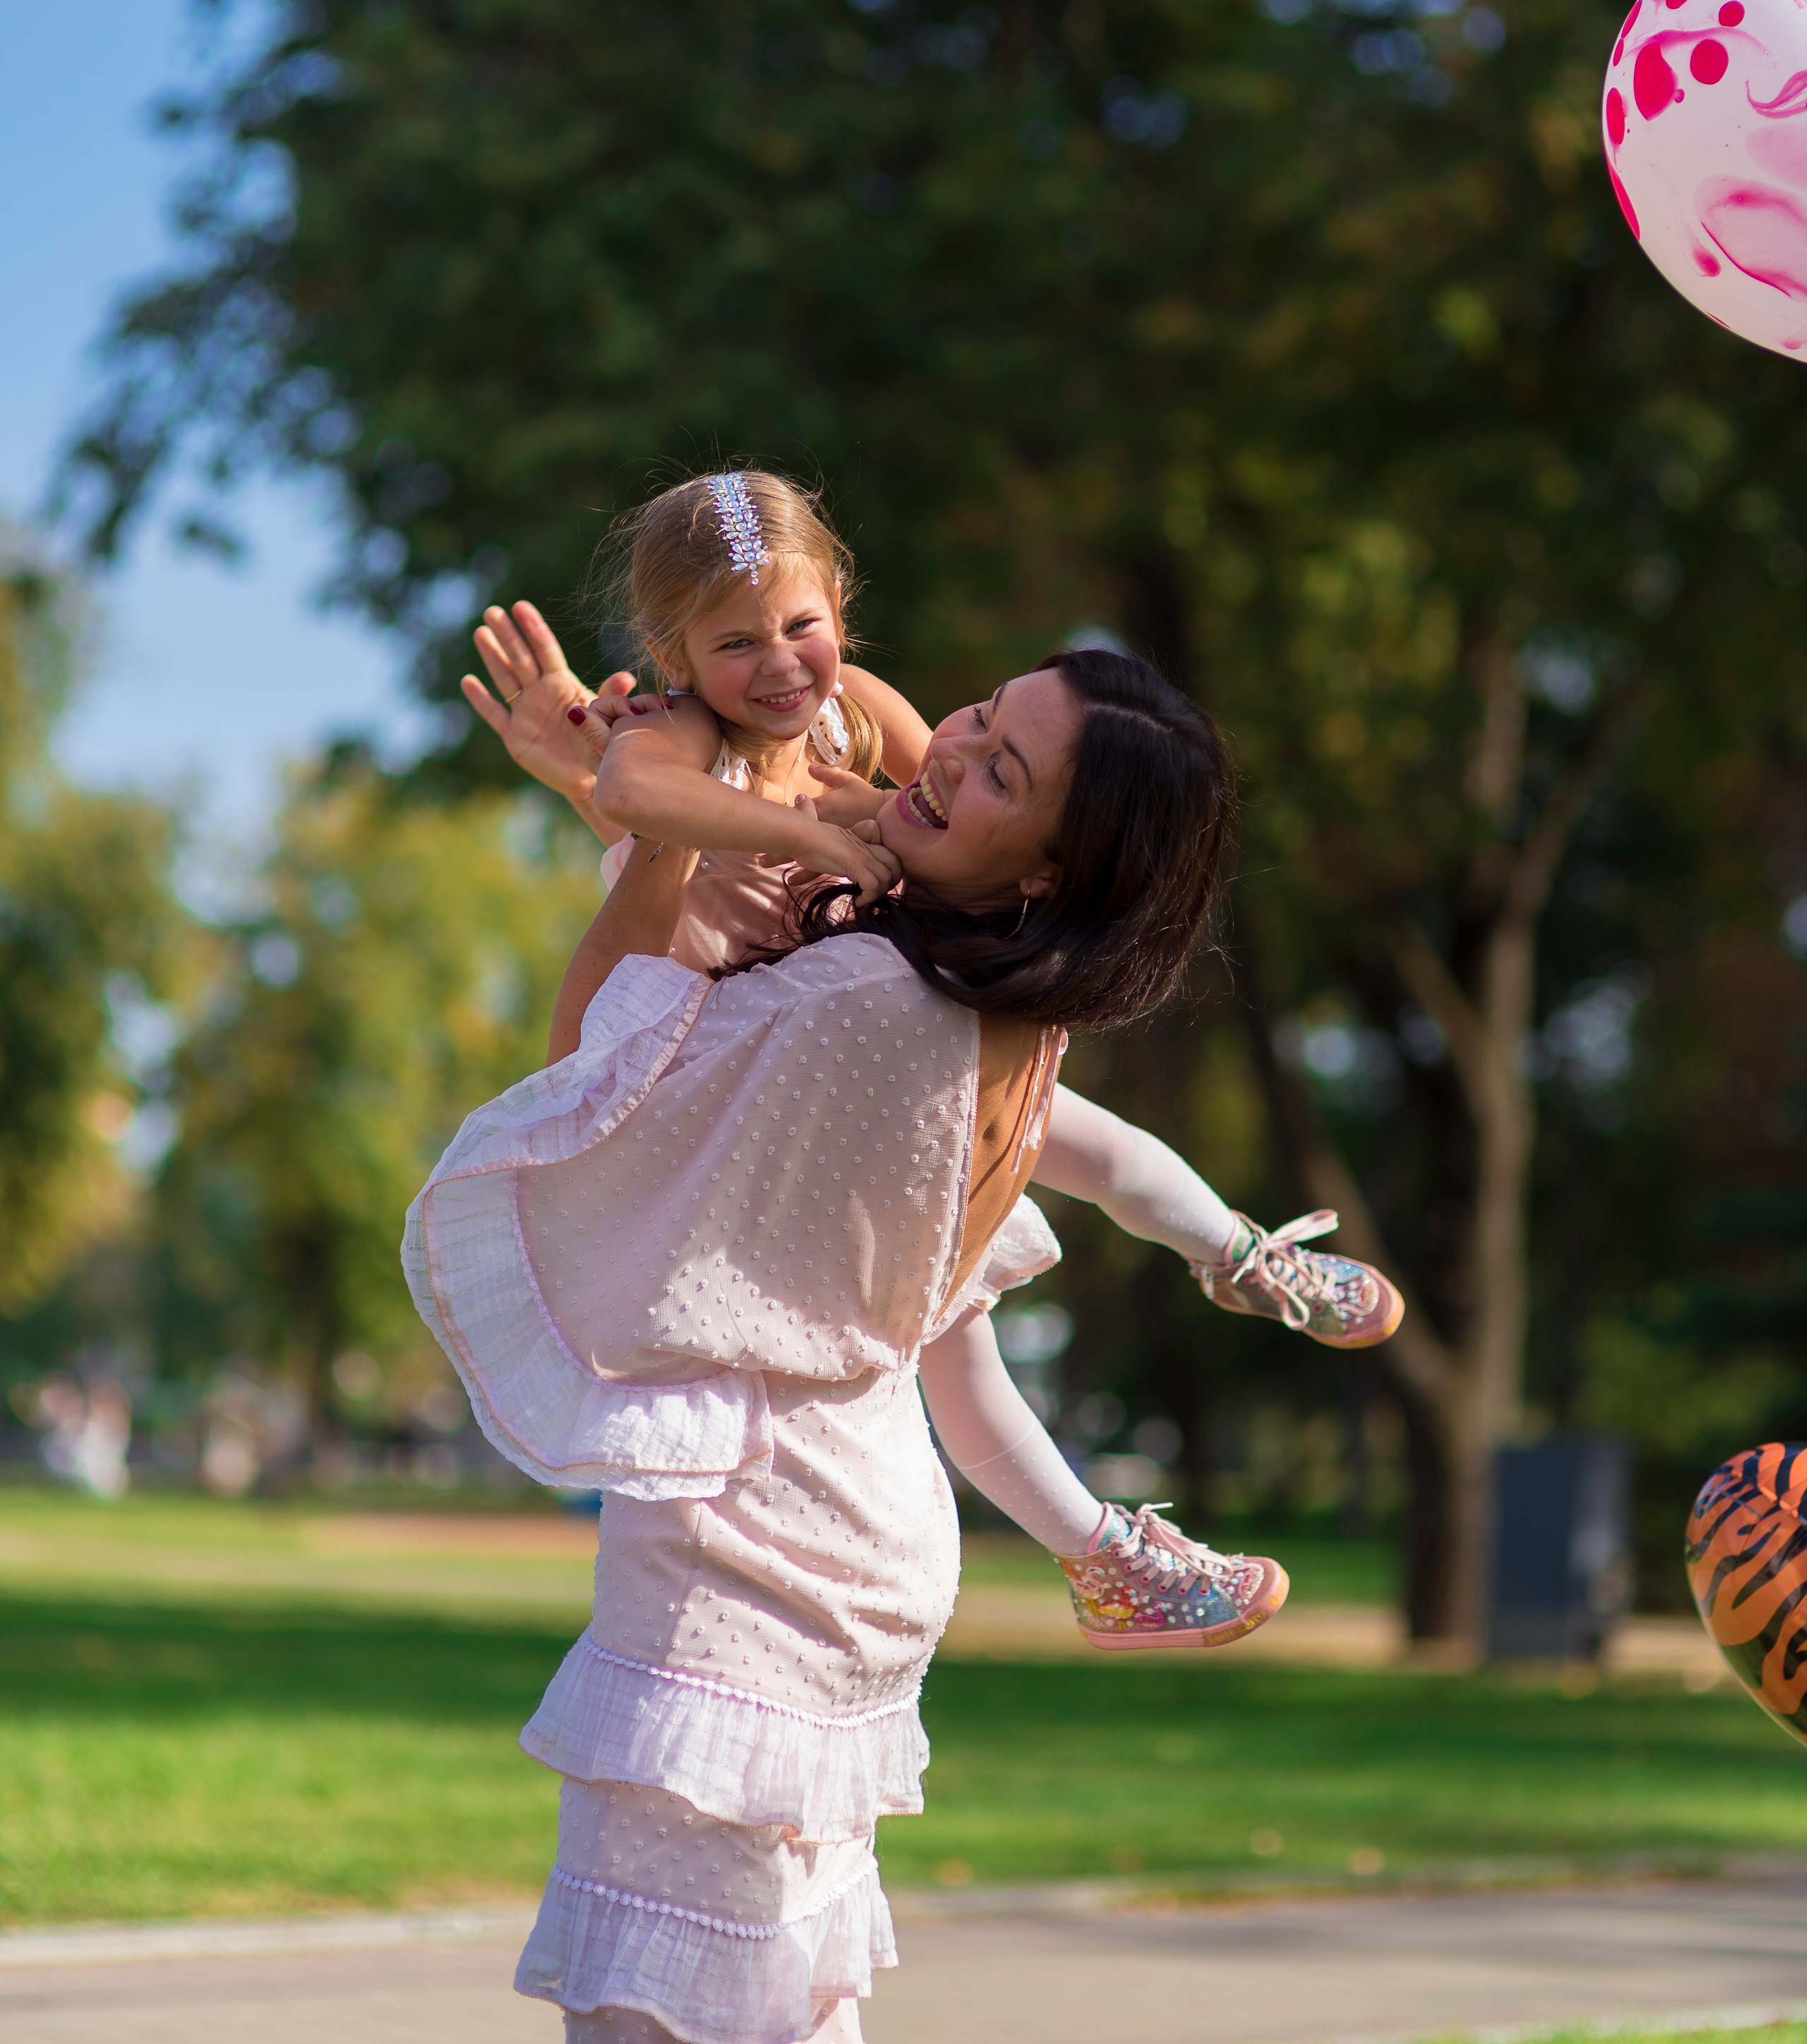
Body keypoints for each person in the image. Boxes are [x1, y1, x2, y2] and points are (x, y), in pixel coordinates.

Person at [407, 643, 1292, 2042]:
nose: (946, 752)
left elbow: (602, 1061)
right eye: (980, 716)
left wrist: (640, 812)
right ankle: (1117, 1536)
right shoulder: (972, 1000)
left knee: (658, 2011)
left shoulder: (865, 1004)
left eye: (1003, 770)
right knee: (769, 2010)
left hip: (754, 1561)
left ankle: (1118, 1526)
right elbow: (747, 907)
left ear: (1051, 869)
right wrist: (615, 784)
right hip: (843, 1534)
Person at [458, 472, 1404, 1642]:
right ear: (674, 656)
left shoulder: (853, 710)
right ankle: (1101, 1553)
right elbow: (645, 800)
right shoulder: (687, 736)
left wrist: (855, 815)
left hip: (887, 1045)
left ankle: (1242, 1255)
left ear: (841, 605)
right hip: (760, 1067)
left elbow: (933, 810)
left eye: (803, 625)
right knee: (956, 1354)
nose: (782, 664)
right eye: (735, 641)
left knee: (1096, 1155)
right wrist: (788, 822)